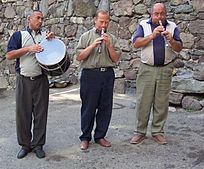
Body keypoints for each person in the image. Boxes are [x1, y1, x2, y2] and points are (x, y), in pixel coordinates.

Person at [130, 3, 183, 145]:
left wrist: (171, 39)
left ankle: (158, 132)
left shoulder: (172, 26)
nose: (159, 17)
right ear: (151, 14)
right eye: (156, 14)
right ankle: (140, 132)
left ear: (165, 14)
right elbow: (136, 43)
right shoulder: (143, 25)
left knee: (161, 102)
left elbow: (179, 48)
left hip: (165, 68)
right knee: (143, 101)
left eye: (162, 14)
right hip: (146, 68)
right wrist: (153, 35)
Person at [6, 10, 55, 159]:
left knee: (41, 114)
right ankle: (25, 145)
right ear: (29, 19)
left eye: (42, 18)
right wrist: (29, 49)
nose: (40, 21)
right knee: (23, 114)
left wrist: (53, 41)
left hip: (41, 80)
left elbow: (54, 55)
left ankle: (38, 145)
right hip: (24, 80)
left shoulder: (46, 36)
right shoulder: (18, 36)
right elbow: (9, 55)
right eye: (37, 18)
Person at [75, 9, 121, 150]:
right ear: (95, 20)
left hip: (107, 74)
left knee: (105, 107)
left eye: (106, 22)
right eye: (101, 21)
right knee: (88, 107)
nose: (103, 25)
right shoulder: (86, 36)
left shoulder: (112, 38)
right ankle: (85, 137)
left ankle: (100, 136)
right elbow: (79, 57)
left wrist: (109, 45)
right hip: (90, 74)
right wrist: (92, 45)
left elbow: (116, 59)